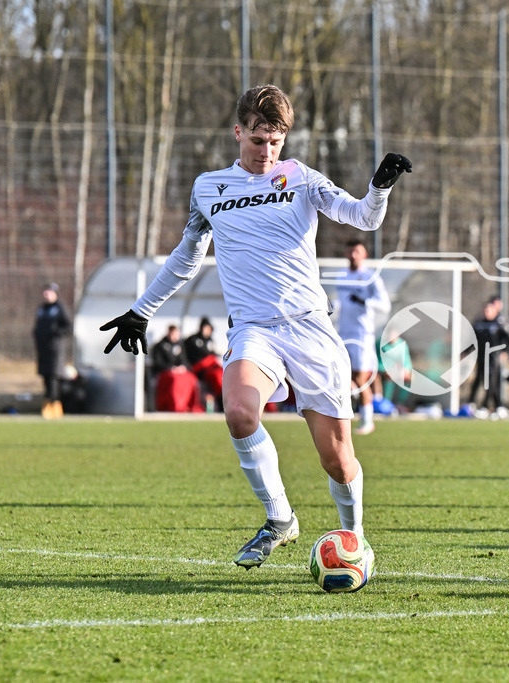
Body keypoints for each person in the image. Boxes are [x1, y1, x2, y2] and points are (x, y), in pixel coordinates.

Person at [99, 83, 411, 569]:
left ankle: (354, 540)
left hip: (310, 328)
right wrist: (142, 309)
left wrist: (380, 188)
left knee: (337, 460)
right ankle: (280, 517)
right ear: (238, 131)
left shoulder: (301, 178)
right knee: (240, 412)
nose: (267, 152)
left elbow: (361, 219)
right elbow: (186, 257)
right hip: (253, 328)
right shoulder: (209, 188)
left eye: (276, 142)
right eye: (258, 140)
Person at [335, 239, 391, 434]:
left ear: (364, 254)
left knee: (360, 378)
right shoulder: (341, 277)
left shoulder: (370, 277)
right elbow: (339, 304)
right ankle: (348, 416)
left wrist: (364, 300)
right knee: (342, 376)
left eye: (357, 252)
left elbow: (385, 305)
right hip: (343, 333)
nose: (353, 255)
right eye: (350, 251)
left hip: (362, 335)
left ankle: (368, 420)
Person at [32, 282, 71, 419]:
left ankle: (55, 406)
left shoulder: (60, 308)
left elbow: (68, 327)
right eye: (45, 292)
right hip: (43, 349)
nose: (46, 294)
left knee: (54, 376)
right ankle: (47, 403)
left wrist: (56, 333)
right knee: (45, 376)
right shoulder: (42, 309)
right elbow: (37, 326)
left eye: (49, 292)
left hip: (56, 350)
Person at [468, 300, 509, 419]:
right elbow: (472, 340)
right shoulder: (479, 324)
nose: (487, 312)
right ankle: (498, 406)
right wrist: (465, 352)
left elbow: (508, 339)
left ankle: (485, 406)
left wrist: (505, 352)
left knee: (490, 381)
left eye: (490, 310)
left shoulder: (498, 324)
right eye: (485, 310)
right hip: (481, 357)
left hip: (493, 358)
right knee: (483, 380)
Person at [151, 324, 202, 413]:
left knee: (191, 378)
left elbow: (184, 360)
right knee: (175, 381)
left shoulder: (180, 346)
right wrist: (171, 368)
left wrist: (182, 367)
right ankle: (176, 406)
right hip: (166, 373)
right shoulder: (160, 346)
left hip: (179, 372)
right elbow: (158, 363)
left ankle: (189, 405)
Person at [184, 316, 225, 410]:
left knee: (223, 374)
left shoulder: (210, 341)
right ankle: (221, 403)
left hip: (212, 368)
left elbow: (213, 354)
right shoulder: (192, 340)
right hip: (201, 370)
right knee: (217, 377)